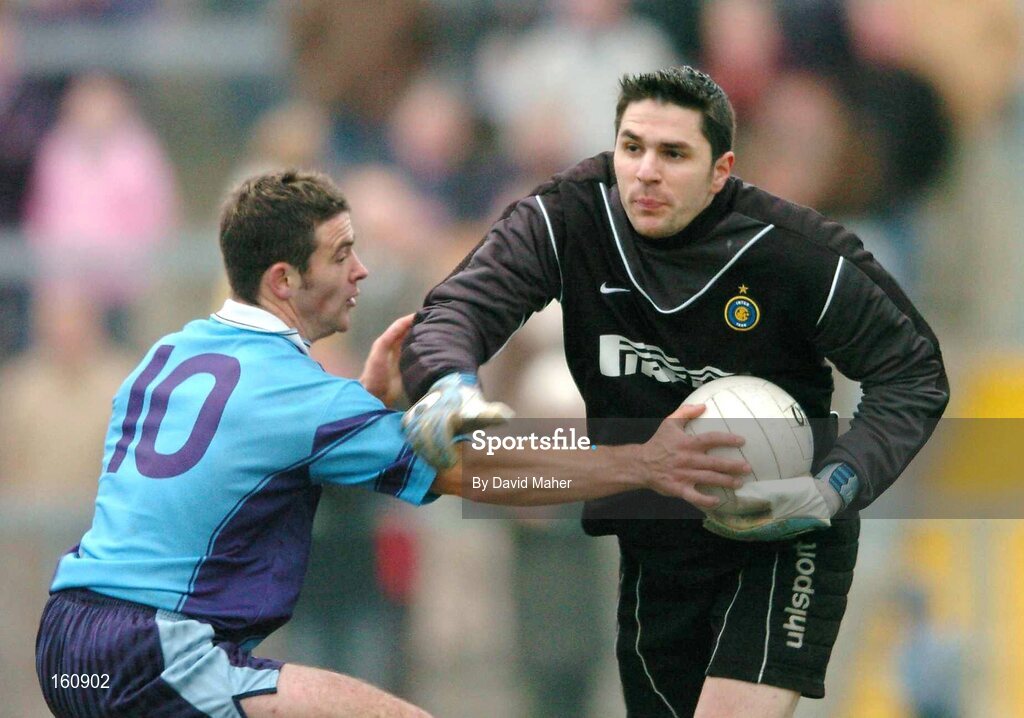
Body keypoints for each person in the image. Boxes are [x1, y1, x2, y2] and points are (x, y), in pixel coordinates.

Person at [35, 169, 751, 718]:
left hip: (69, 642)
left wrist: (369, 406)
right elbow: (479, 470)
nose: (361, 271)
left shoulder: (166, 354)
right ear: (285, 279)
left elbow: (241, 464)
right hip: (151, 652)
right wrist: (644, 459)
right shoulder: (305, 397)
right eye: (341, 254)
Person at [400, 66, 949, 717]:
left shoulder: (795, 254)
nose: (646, 171)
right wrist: (445, 382)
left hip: (784, 527)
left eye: (673, 154)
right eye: (631, 148)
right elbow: (457, 310)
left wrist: (835, 484)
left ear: (722, 170)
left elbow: (913, 374)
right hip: (657, 525)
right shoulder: (571, 217)